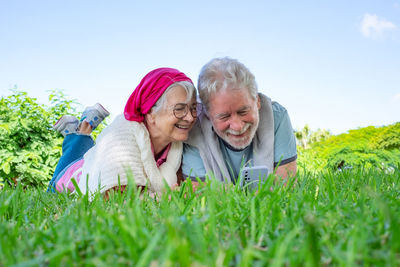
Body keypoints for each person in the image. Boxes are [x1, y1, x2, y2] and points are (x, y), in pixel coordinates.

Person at [47, 68, 199, 197]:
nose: (191, 117)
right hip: (70, 176)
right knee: (76, 146)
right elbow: (118, 199)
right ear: (151, 113)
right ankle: (78, 133)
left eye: (193, 108)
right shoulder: (122, 135)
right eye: (179, 109)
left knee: (88, 149)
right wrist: (175, 195)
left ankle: (82, 127)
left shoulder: (177, 146)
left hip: (94, 159)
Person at [182, 57, 297, 184]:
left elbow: (285, 186)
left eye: (243, 111)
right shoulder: (195, 130)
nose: (237, 126)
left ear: (257, 101)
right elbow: (199, 193)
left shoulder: (277, 117)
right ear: (208, 114)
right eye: (224, 116)